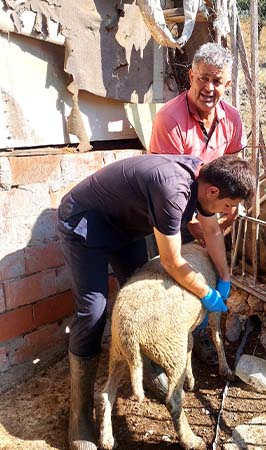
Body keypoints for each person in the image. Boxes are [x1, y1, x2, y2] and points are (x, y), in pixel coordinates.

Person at [59, 154, 255, 449]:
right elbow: (172, 261)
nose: (229, 211)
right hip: (84, 224)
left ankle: (147, 367)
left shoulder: (204, 179)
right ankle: (80, 413)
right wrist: (206, 293)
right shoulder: (173, 190)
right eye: (229, 206)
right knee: (94, 311)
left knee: (140, 290)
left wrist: (225, 276)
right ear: (213, 192)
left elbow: (212, 230)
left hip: (124, 228)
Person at [149, 42, 248, 366]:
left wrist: (231, 205)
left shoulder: (232, 118)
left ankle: (202, 333)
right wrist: (195, 223)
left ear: (227, 85)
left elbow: (234, 167)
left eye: (217, 81)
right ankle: (165, 349)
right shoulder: (169, 120)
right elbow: (166, 187)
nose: (209, 88)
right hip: (173, 209)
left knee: (208, 274)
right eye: (203, 78)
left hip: (210, 209)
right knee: (174, 280)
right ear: (191, 76)